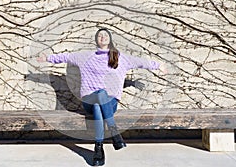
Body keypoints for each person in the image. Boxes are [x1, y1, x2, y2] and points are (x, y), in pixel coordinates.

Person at [37, 28, 166, 166]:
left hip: (110, 103)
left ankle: (98, 148)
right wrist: (47, 58)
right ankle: (114, 132)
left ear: (110, 39)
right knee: (99, 95)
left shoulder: (120, 57)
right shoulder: (86, 56)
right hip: (88, 101)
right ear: (96, 40)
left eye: (105, 35)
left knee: (101, 99)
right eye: (99, 35)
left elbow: (141, 62)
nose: (102, 37)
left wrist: (158, 65)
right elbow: (66, 57)